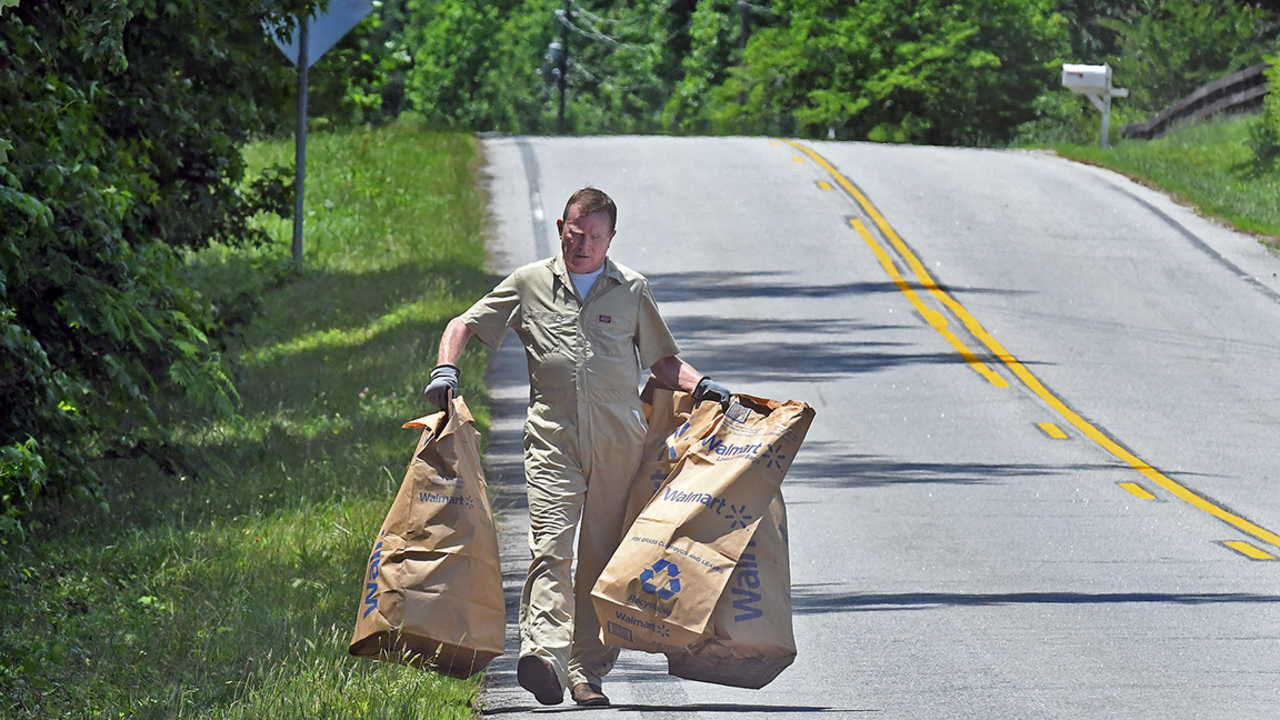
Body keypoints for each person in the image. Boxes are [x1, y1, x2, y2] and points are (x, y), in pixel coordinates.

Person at [424, 187, 730, 707]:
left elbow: (661, 362)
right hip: (552, 441)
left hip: (619, 446)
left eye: (592, 235)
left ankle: (587, 671)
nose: (581, 243)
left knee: (600, 558)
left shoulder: (631, 289)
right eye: (573, 232)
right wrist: (446, 369)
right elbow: (464, 325)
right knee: (551, 549)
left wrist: (702, 385)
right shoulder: (530, 283)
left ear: (610, 238)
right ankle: (544, 654)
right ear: (561, 227)